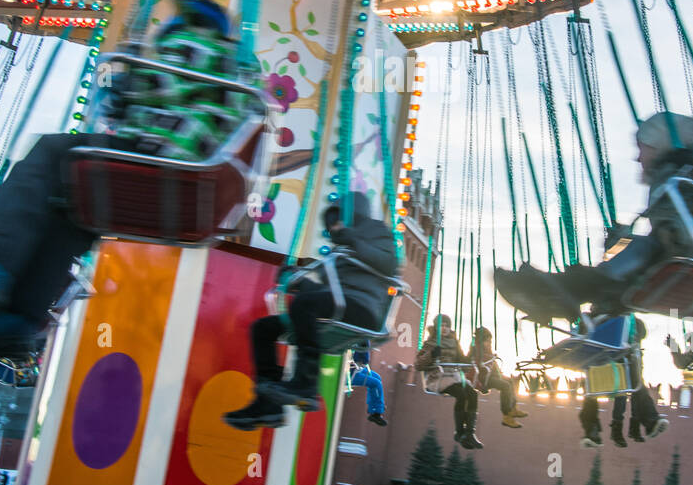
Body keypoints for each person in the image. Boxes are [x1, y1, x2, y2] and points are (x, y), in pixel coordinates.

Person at [0, 0, 247, 360]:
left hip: (167, 159)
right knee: (70, 210)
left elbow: (155, 84)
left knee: (53, 153)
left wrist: (127, 68)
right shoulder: (234, 62)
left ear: (192, 22)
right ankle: (18, 319)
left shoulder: (200, 45)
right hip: (188, 182)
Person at [495, 112, 693, 323]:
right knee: (631, 257)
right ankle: (577, 302)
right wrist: (621, 240)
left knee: (640, 249)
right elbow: (664, 231)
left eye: (643, 147)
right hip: (686, 246)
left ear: (660, 143)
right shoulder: (668, 177)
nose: (638, 156)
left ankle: (564, 292)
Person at [225, 192, 399, 429]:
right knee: (263, 328)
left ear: (351, 216)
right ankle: (267, 405)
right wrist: (298, 283)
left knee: (305, 304)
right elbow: (330, 292)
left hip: (364, 307)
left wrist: (354, 240)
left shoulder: (376, 231)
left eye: (337, 222)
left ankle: (306, 384)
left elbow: (389, 263)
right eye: (331, 226)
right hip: (340, 306)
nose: (334, 229)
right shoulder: (339, 254)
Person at [575, 314, 667, 447]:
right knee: (635, 384)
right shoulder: (631, 321)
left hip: (600, 366)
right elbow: (640, 333)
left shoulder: (588, 320)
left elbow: (580, 334)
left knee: (591, 392)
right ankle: (650, 421)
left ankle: (592, 431)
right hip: (616, 366)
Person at [414, 315, 483, 450]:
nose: (445, 328)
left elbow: (464, 363)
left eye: (447, 325)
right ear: (436, 328)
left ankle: (470, 433)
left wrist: (471, 353)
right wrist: (432, 355)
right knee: (461, 394)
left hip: (454, 376)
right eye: (442, 325)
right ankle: (459, 432)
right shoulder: (431, 343)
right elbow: (418, 365)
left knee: (472, 394)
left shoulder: (454, 343)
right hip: (438, 377)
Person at [469, 327, 528, 429]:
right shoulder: (476, 350)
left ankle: (513, 408)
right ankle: (506, 416)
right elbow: (474, 363)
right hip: (483, 378)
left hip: (491, 376)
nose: (489, 343)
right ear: (481, 341)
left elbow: (493, 365)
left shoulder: (488, 351)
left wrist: (497, 370)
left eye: (490, 341)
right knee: (504, 386)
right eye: (487, 341)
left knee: (509, 381)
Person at [349, 348, 388, 426]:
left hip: (356, 367)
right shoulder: (362, 341)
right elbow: (364, 357)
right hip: (352, 373)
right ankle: (376, 413)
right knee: (376, 384)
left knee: (377, 377)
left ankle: (373, 407)